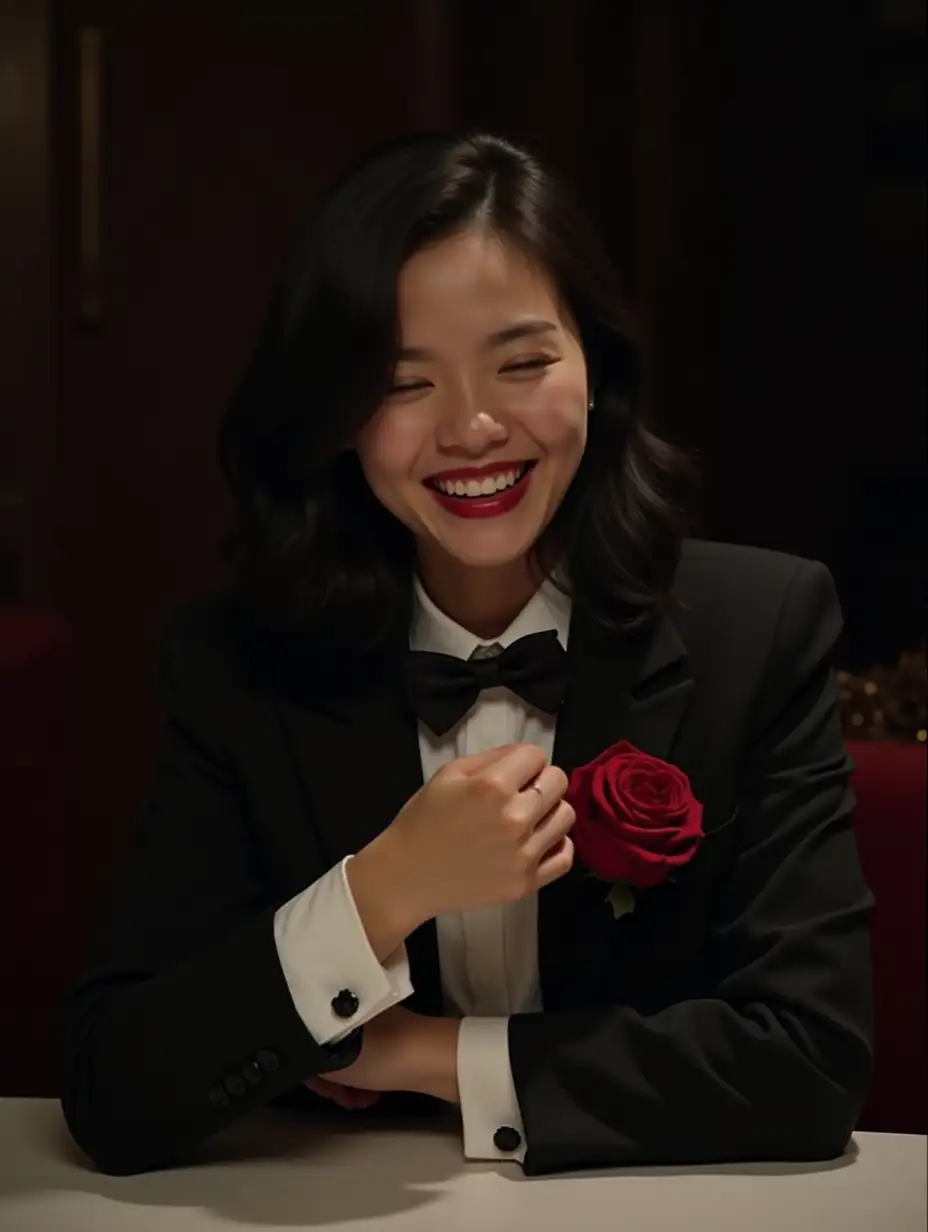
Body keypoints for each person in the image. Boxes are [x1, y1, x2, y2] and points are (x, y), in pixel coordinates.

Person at [57, 132, 874, 1179]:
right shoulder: (235, 663)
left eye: (523, 361)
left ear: (597, 369)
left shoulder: (759, 626)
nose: (474, 427)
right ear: (337, 416)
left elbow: (808, 1066)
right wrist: (383, 888)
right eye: (405, 384)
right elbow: (114, 1084)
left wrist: (429, 1054)